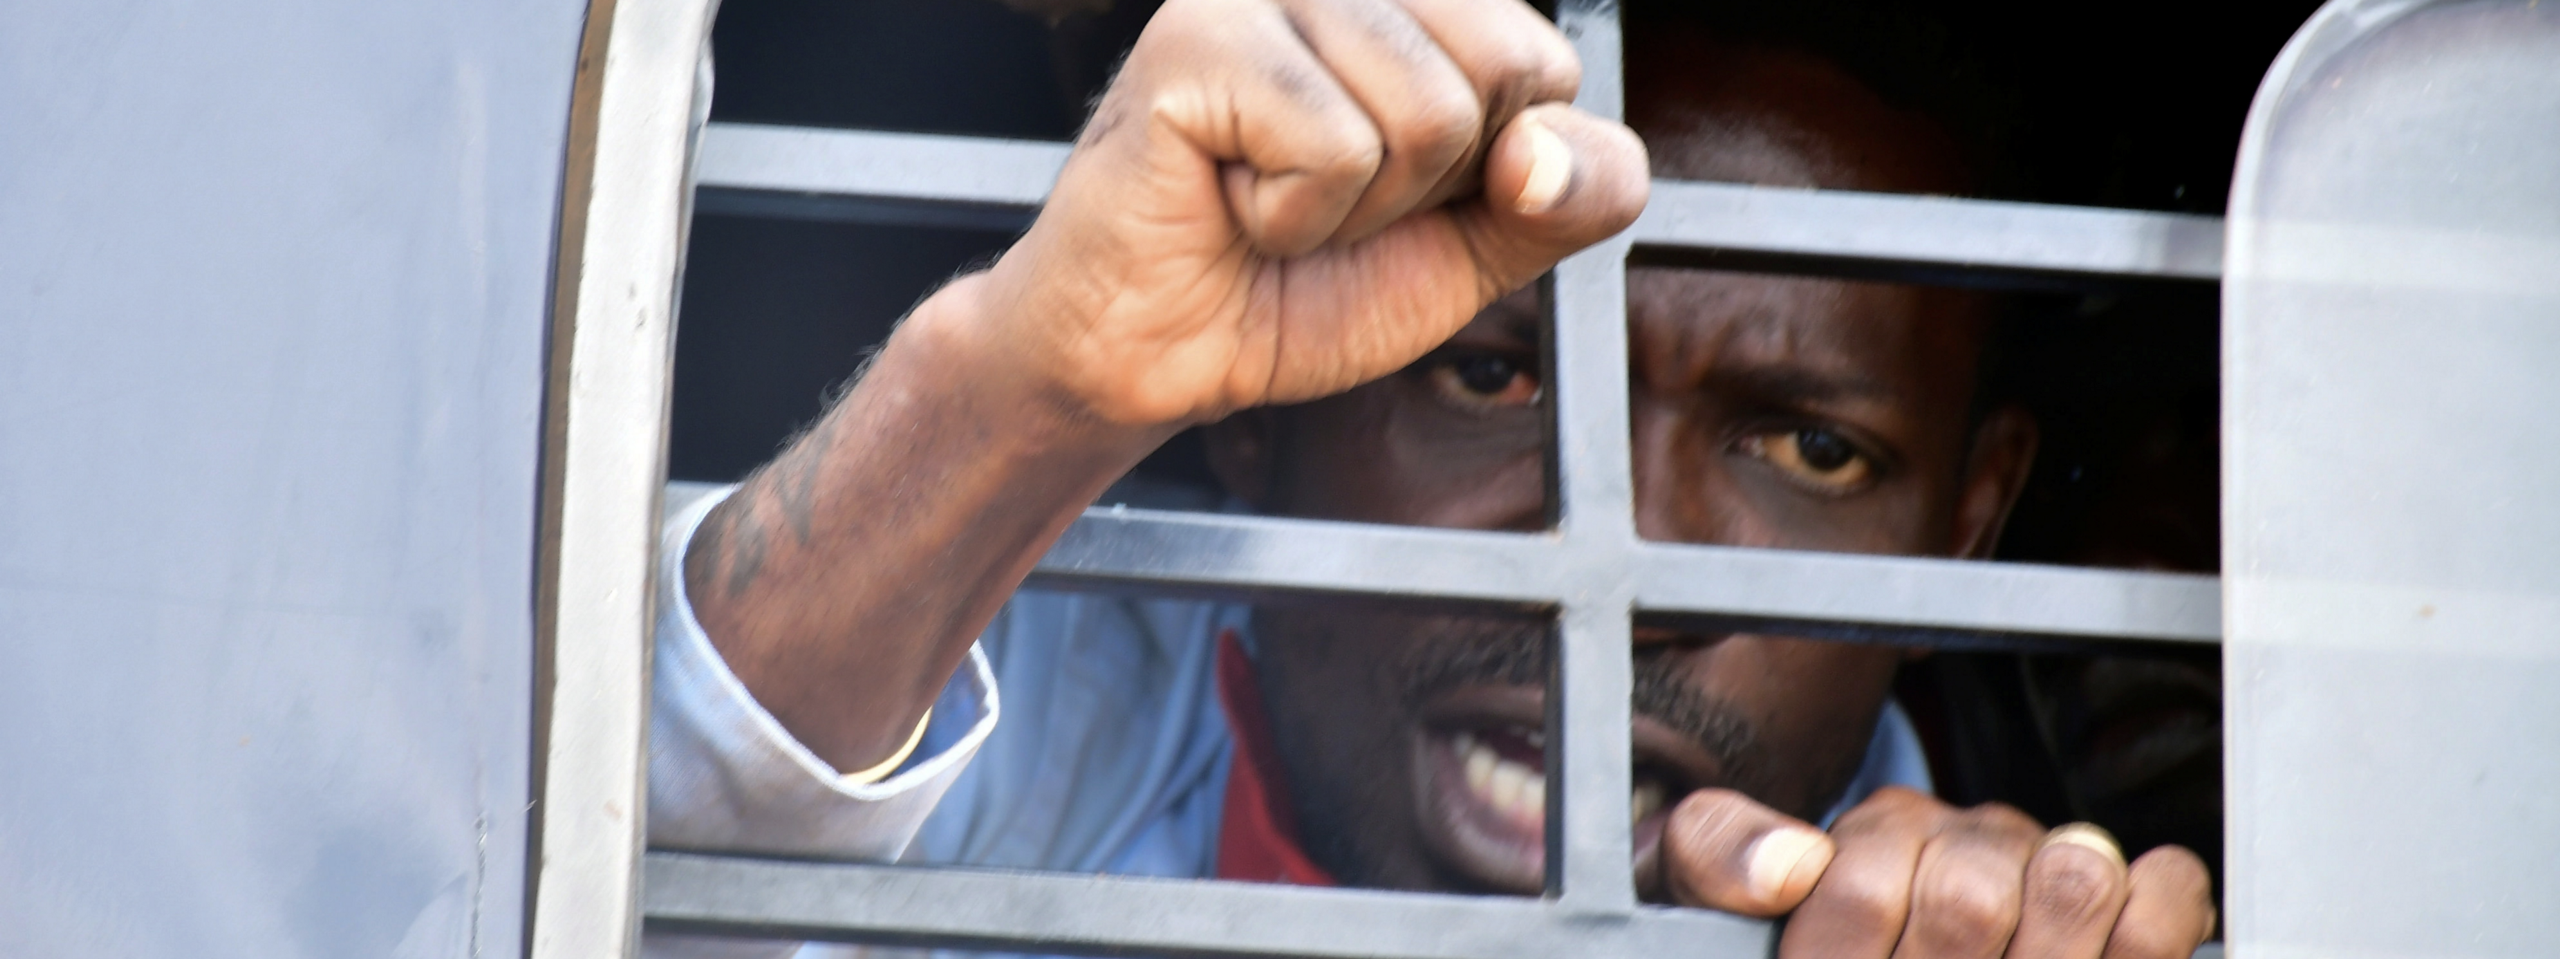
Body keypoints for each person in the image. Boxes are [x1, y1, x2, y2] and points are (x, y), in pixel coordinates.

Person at [645, 1, 2216, 957]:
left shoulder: (1955, 924)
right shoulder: (1011, 688)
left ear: (1967, 526)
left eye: (1813, 448)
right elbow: (599, 821)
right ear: (1249, 411)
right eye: (1489, 377)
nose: (1626, 566)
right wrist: (1017, 390)